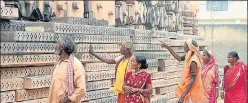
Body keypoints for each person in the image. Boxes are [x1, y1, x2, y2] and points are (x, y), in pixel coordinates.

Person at [49, 36, 86, 103]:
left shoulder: (76, 65)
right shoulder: (58, 62)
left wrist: (66, 100)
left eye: (57, 43)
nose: (55, 46)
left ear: (62, 47)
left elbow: (81, 89)